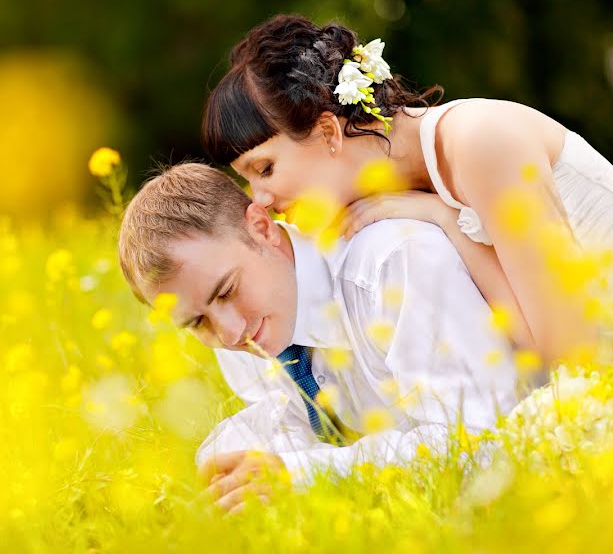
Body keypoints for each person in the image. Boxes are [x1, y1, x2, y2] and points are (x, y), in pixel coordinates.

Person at [201, 13, 613, 447]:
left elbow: (566, 353)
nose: (260, 202)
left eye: (264, 169)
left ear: (329, 132)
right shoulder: (384, 200)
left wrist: (444, 219)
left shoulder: (480, 144)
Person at [117, 163, 521, 513]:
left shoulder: (393, 263)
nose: (231, 333)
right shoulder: (242, 336)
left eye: (226, 291)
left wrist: (303, 475)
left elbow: (486, 440)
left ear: (261, 228)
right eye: (196, 324)